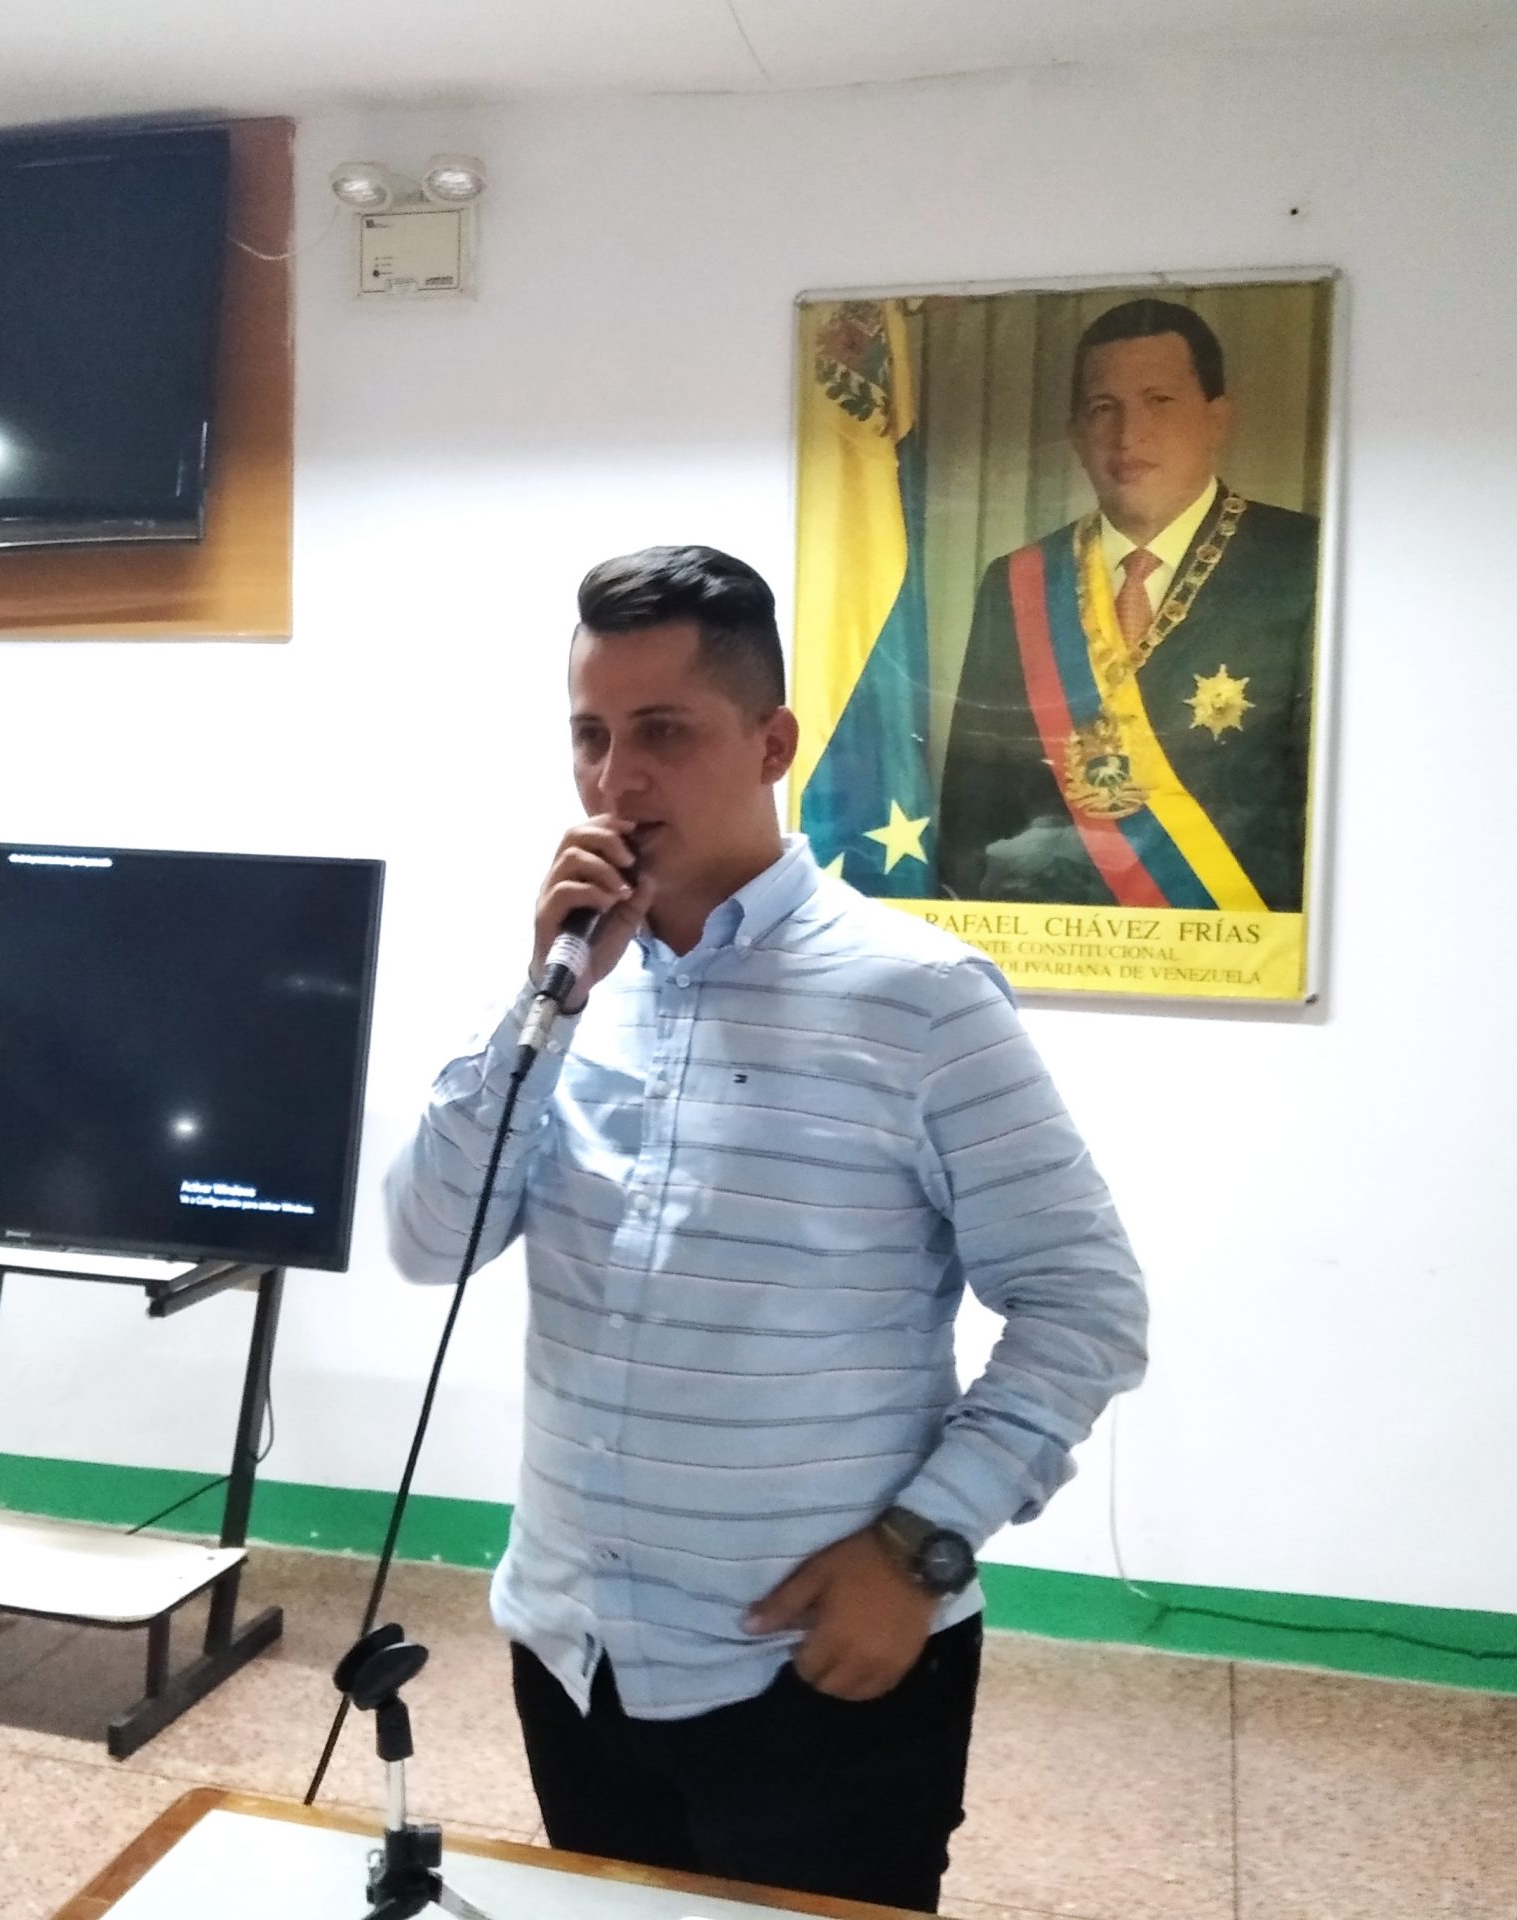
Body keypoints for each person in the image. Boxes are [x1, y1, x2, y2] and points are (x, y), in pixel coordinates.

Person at [384, 545, 1148, 1913]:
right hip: (574, 1647)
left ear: (771, 742)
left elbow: (1085, 1305)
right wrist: (537, 1004)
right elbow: (426, 1241)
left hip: (815, 1665)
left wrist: (920, 1547)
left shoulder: (920, 1002)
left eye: (663, 733)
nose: (616, 781)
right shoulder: (568, 996)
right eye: (590, 737)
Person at [935, 298, 1321, 913]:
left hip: (1238, 948)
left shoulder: (1303, 562)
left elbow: (1326, 809)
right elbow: (973, 813)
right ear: (1075, 435)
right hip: (1052, 944)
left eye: (1158, 401)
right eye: (1102, 408)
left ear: (1217, 419)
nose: (1127, 435)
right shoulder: (1017, 581)